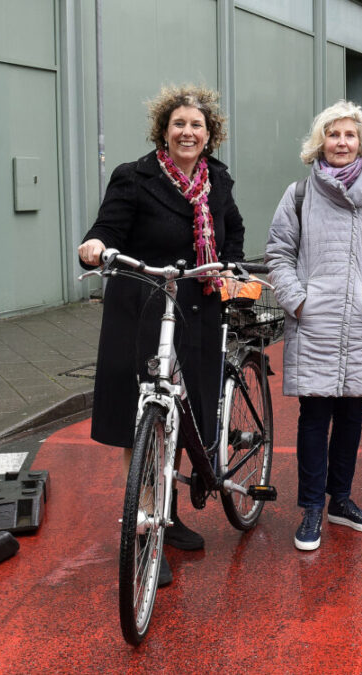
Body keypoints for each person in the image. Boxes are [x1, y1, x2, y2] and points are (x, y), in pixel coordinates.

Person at [78, 85, 244, 585]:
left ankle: (168, 517)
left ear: (209, 134)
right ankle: (146, 525)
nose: (188, 132)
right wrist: (95, 245)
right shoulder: (133, 176)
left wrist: (231, 266)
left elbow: (232, 230)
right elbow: (107, 226)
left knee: (185, 417)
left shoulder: (218, 180)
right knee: (142, 418)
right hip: (142, 309)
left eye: (197, 125)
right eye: (179, 124)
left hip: (197, 309)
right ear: (163, 132)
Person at [265, 101, 362, 551]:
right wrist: (298, 303)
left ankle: (340, 501)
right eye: (333, 135)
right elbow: (278, 253)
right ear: (319, 143)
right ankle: (311, 507)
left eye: (349, 135)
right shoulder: (299, 195)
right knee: (313, 417)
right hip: (314, 324)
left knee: (350, 416)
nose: (342, 142)